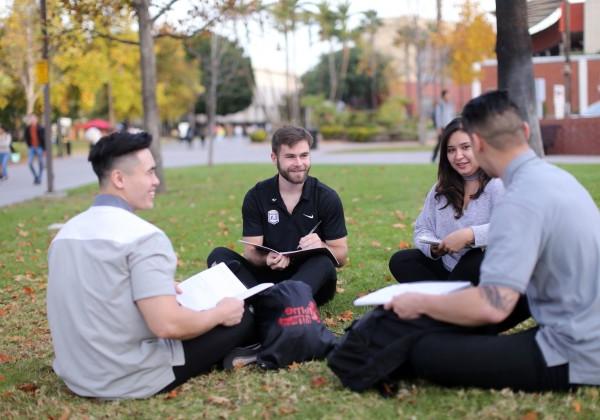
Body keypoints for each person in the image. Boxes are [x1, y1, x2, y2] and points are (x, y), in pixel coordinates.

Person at [374, 90, 600, 392]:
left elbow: (493, 306)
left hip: (578, 352)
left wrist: (421, 303)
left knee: (425, 352)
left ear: (478, 144)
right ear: (526, 131)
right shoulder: (557, 178)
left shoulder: (518, 199)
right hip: (573, 327)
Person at [47, 131, 255, 399]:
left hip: (76, 374)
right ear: (119, 179)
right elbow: (168, 326)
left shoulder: (65, 234)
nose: (156, 181)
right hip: (126, 377)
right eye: (149, 172)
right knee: (242, 314)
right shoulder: (143, 237)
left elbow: (93, 290)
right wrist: (219, 313)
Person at [207, 125, 348, 306]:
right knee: (219, 255)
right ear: (274, 158)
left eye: (304, 155)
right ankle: (273, 301)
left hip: (311, 279)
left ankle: (270, 301)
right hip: (268, 276)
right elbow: (251, 252)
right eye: (290, 156)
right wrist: (266, 259)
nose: (299, 163)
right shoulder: (257, 196)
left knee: (323, 263)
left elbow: (341, 255)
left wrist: (321, 245)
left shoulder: (326, 197)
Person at [389, 117, 504, 285]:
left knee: (476, 258)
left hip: (485, 272)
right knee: (401, 260)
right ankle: (448, 300)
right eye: (451, 150)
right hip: (448, 267)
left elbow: (511, 227)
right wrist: (433, 249)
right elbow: (422, 229)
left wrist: (469, 235)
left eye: (466, 147)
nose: (458, 156)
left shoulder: (498, 184)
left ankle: (445, 301)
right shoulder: (440, 189)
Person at [431, 90, 455, 162]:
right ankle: (434, 157)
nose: (449, 96)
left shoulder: (450, 104)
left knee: (449, 142)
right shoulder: (440, 105)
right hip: (442, 127)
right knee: (440, 143)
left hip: (449, 126)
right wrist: (438, 128)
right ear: (443, 96)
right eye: (447, 95)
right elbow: (438, 116)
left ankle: (447, 158)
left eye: (449, 95)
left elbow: (452, 115)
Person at [23, 114, 45, 184]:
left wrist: (45, 149)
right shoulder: (28, 128)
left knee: (41, 163)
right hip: (32, 147)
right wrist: (28, 145)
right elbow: (26, 138)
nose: (32, 120)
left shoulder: (41, 128)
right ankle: (36, 176)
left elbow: (44, 139)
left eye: (33, 119)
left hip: (39, 147)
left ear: (36, 120)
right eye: (31, 119)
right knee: (29, 163)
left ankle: (39, 177)